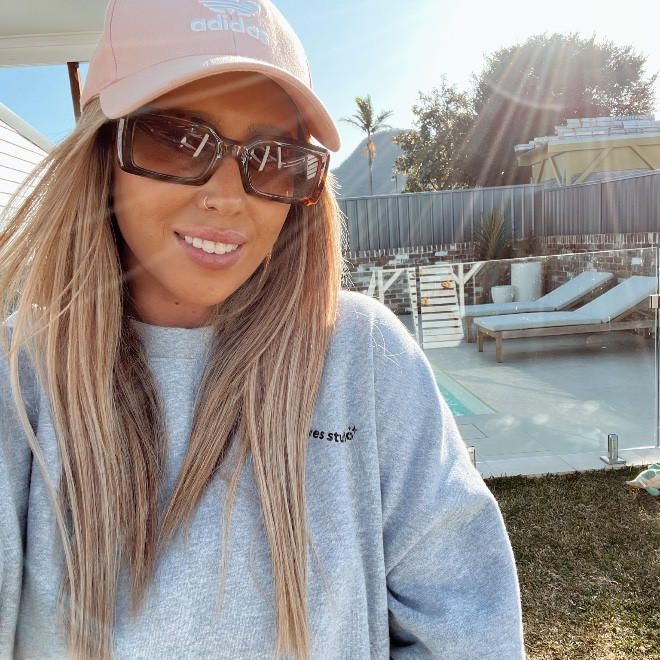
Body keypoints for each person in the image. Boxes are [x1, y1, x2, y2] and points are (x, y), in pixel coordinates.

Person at [0, 0, 525, 657]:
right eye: (176, 138)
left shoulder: (363, 357)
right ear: (104, 151)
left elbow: (468, 633)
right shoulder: (20, 379)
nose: (228, 196)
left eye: (274, 157)